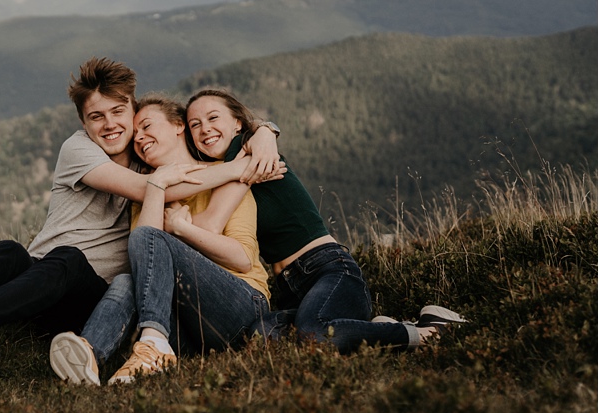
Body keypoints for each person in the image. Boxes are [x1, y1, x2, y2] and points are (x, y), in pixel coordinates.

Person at [0, 57, 282, 371]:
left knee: (66, 261)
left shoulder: (148, 157)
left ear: (132, 109)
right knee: (13, 252)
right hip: (41, 279)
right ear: (83, 122)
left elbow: (195, 156)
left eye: (118, 113)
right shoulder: (81, 151)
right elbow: (152, 186)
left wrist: (263, 129)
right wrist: (240, 168)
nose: (110, 125)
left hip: (91, 297)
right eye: (96, 117)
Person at [182, 87, 465, 354]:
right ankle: (379, 330)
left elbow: (209, 224)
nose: (205, 128)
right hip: (290, 290)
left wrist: (173, 216)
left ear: (237, 124)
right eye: (194, 124)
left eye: (213, 117)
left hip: (327, 269)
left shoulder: (243, 152)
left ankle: (429, 333)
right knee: (261, 339)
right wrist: (268, 129)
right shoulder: (226, 171)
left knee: (315, 334)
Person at [49, 95, 275, 384]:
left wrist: (183, 229)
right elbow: (144, 265)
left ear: (179, 125)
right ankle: (89, 357)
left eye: (146, 126)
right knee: (128, 279)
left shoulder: (226, 177)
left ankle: (152, 343)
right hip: (190, 331)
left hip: (242, 308)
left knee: (149, 238)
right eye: (136, 136)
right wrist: (158, 184)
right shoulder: (145, 199)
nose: (139, 138)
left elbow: (242, 259)